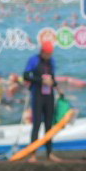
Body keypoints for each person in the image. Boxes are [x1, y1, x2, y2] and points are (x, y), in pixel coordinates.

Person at [23, 30, 63, 161]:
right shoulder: (33, 60)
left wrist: (56, 86)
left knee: (48, 125)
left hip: (49, 95)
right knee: (37, 124)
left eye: (51, 54)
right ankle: (33, 154)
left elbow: (53, 79)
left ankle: (49, 153)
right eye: (48, 54)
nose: (49, 56)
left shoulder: (52, 62)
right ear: (43, 52)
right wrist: (41, 80)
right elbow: (26, 75)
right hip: (37, 94)